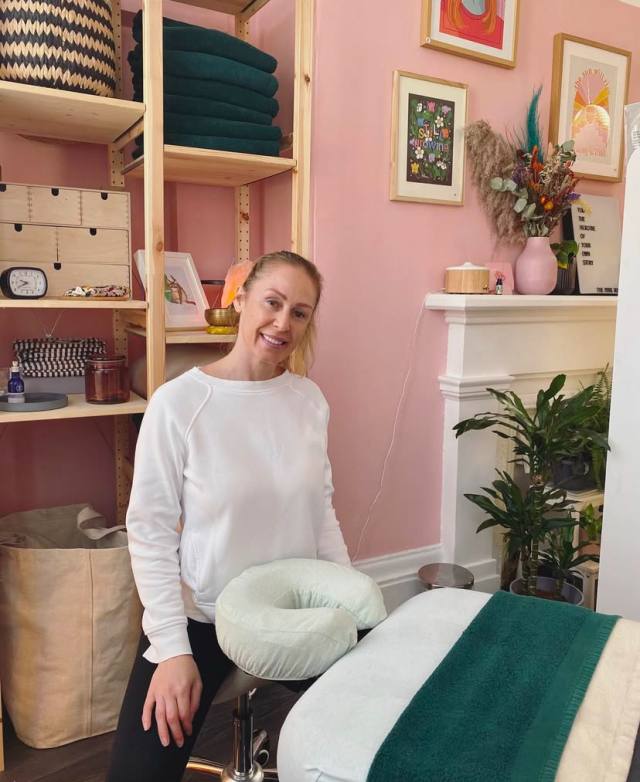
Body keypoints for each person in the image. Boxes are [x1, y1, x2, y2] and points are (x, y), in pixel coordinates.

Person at [106, 251, 351, 782]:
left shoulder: (309, 402)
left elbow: (321, 512)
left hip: (293, 610)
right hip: (206, 620)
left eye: (300, 312)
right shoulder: (178, 403)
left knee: (380, 723)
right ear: (240, 301)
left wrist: (348, 601)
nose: (282, 323)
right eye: (272, 303)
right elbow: (149, 531)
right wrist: (171, 650)